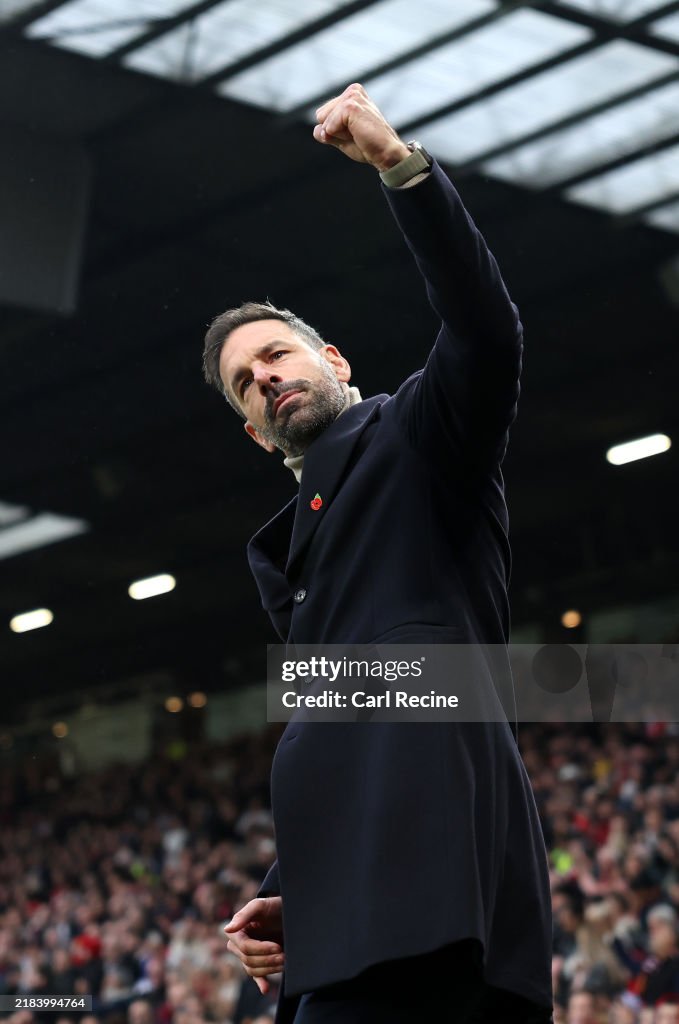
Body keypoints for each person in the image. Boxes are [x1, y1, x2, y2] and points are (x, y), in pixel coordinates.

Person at [204, 84, 553, 1022]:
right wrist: (292, 885)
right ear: (250, 432)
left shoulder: (416, 435)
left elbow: (485, 329)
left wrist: (400, 168)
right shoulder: (288, 551)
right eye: (245, 382)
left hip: (434, 889)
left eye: (276, 355)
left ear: (336, 364)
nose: (265, 375)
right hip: (344, 920)